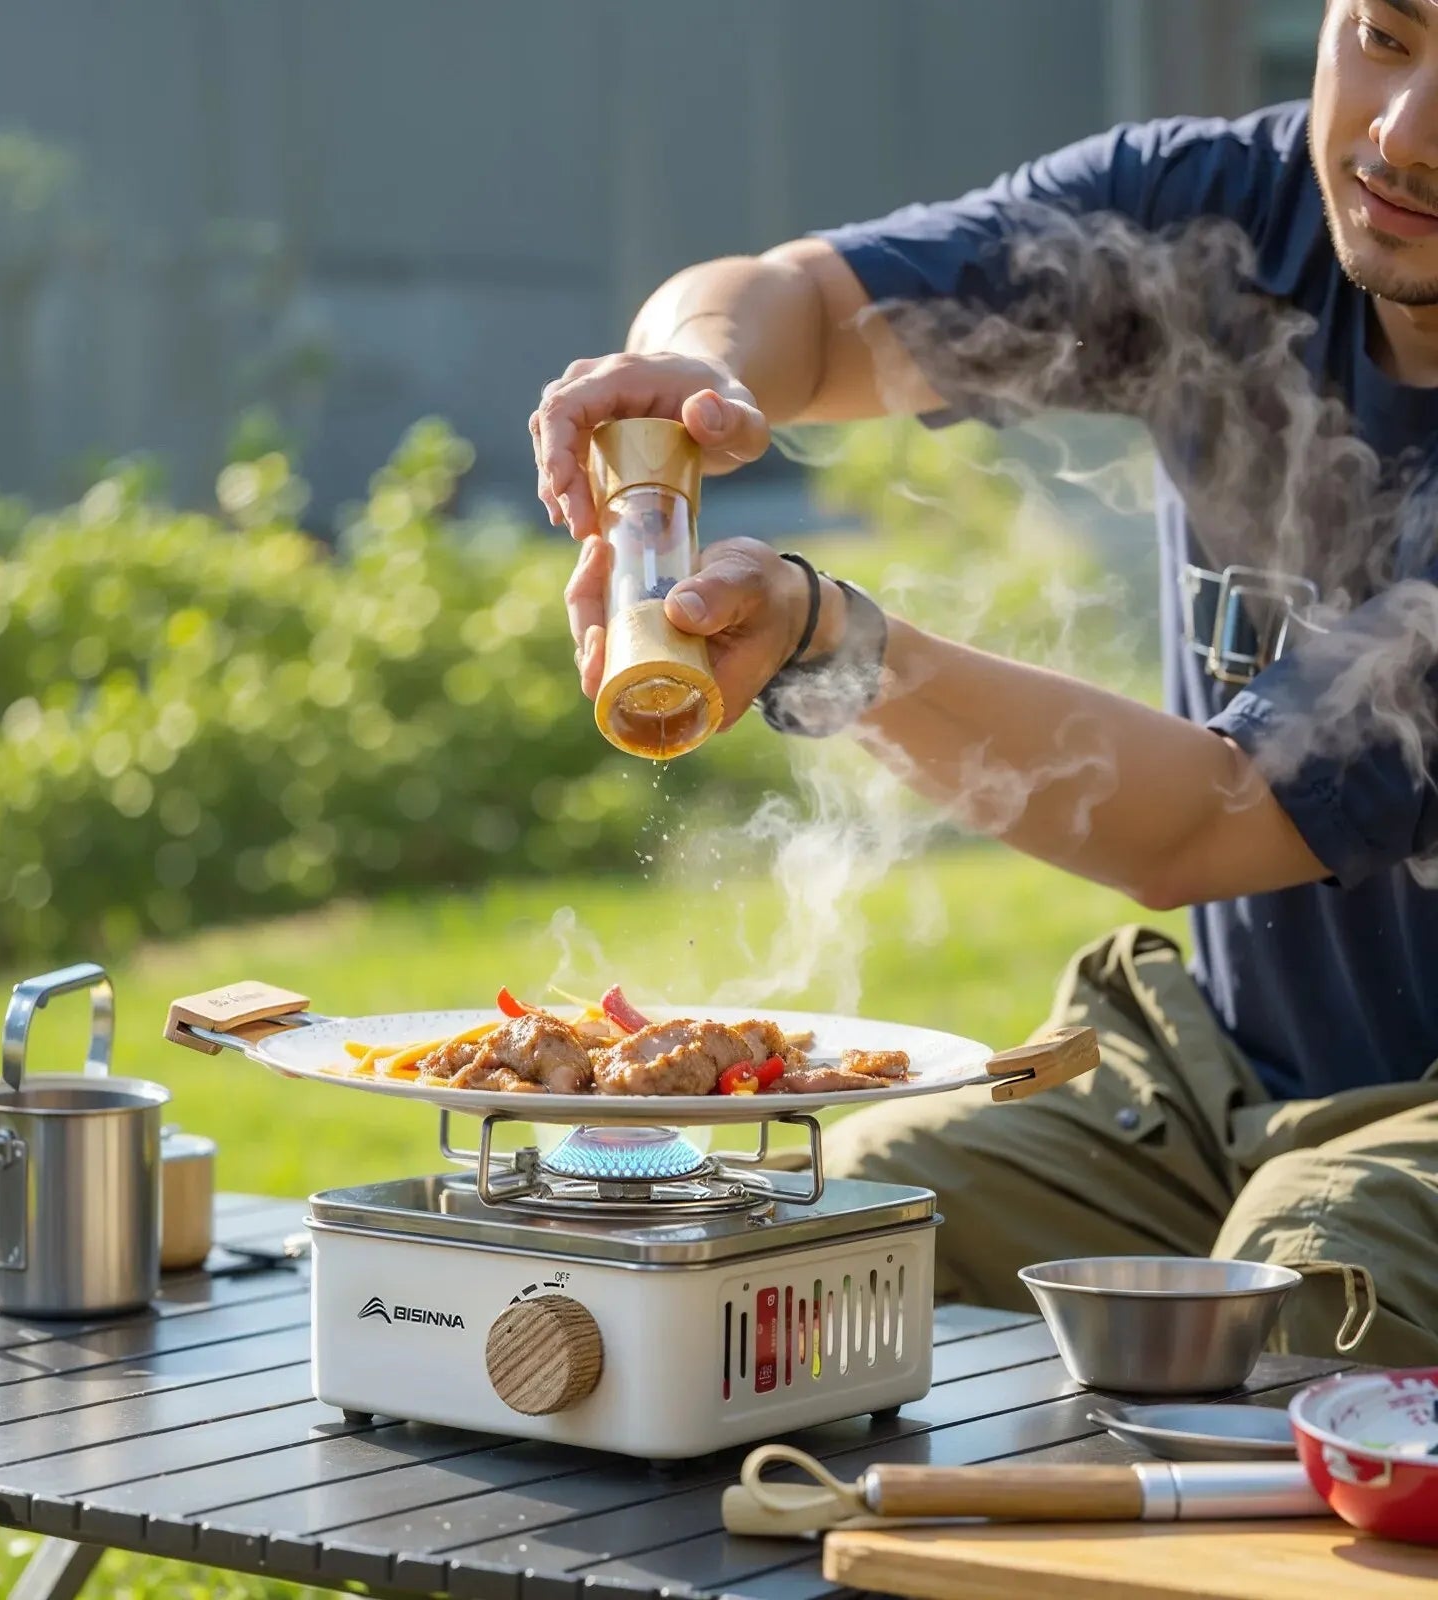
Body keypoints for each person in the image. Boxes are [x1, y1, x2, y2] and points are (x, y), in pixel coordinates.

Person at [530, 0, 1438, 1366]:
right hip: (1219, 1077)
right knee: (805, 1247)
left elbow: (1207, 819)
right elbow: (815, 311)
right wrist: (691, 389)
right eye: (1386, 30)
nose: (1404, 135)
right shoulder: (1226, 215)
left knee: (1284, 1310)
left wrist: (833, 644)